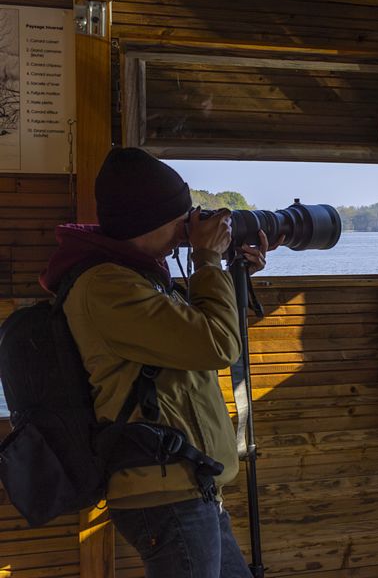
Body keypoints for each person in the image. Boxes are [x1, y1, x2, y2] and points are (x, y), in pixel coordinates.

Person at [39, 147, 269, 578]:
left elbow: (199, 334)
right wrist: (205, 260)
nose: (190, 226)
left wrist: (230, 272)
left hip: (189, 484)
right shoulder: (106, 285)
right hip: (164, 492)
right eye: (182, 217)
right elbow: (216, 344)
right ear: (151, 219)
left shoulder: (138, 276)